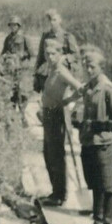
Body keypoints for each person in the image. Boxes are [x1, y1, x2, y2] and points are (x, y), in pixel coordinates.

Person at [72, 46, 112, 224]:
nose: (89, 70)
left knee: (107, 185)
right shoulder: (88, 88)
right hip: (88, 142)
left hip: (103, 143)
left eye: (93, 66)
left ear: (101, 67)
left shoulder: (108, 89)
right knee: (95, 184)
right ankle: (97, 223)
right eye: (86, 66)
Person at [38, 38, 82, 206]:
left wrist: (67, 102)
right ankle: (55, 191)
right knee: (48, 154)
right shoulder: (52, 69)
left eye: (53, 53)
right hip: (48, 115)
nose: (50, 56)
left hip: (56, 115)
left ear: (60, 54)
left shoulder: (61, 71)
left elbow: (80, 88)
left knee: (56, 155)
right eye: (47, 53)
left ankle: (60, 194)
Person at [33, 9, 79, 93]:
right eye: (50, 20)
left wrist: (64, 58)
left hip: (61, 71)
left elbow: (76, 56)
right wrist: (35, 74)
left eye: (54, 20)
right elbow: (40, 56)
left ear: (60, 20)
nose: (52, 22)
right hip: (46, 73)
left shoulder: (67, 37)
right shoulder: (45, 36)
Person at [0, 15, 33, 105]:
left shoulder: (24, 37)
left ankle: (22, 110)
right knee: (12, 91)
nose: (12, 27)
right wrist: (3, 58)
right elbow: (3, 51)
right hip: (11, 68)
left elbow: (31, 53)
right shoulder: (8, 38)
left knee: (22, 92)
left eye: (14, 25)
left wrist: (20, 55)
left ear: (18, 26)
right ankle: (13, 109)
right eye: (11, 25)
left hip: (21, 68)